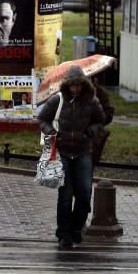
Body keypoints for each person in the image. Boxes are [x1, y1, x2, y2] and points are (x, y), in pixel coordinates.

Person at [37, 65, 106, 248]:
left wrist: (90, 132)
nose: (76, 88)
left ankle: (76, 227)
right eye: (72, 85)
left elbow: (100, 120)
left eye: (79, 85)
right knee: (65, 195)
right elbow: (42, 119)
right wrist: (52, 132)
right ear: (67, 85)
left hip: (83, 151)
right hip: (63, 151)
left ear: (84, 85)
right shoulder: (57, 100)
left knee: (84, 192)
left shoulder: (91, 101)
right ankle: (64, 232)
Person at [91, 75, 115, 166]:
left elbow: (108, 113)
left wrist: (98, 118)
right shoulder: (72, 94)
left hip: (93, 138)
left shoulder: (100, 93)